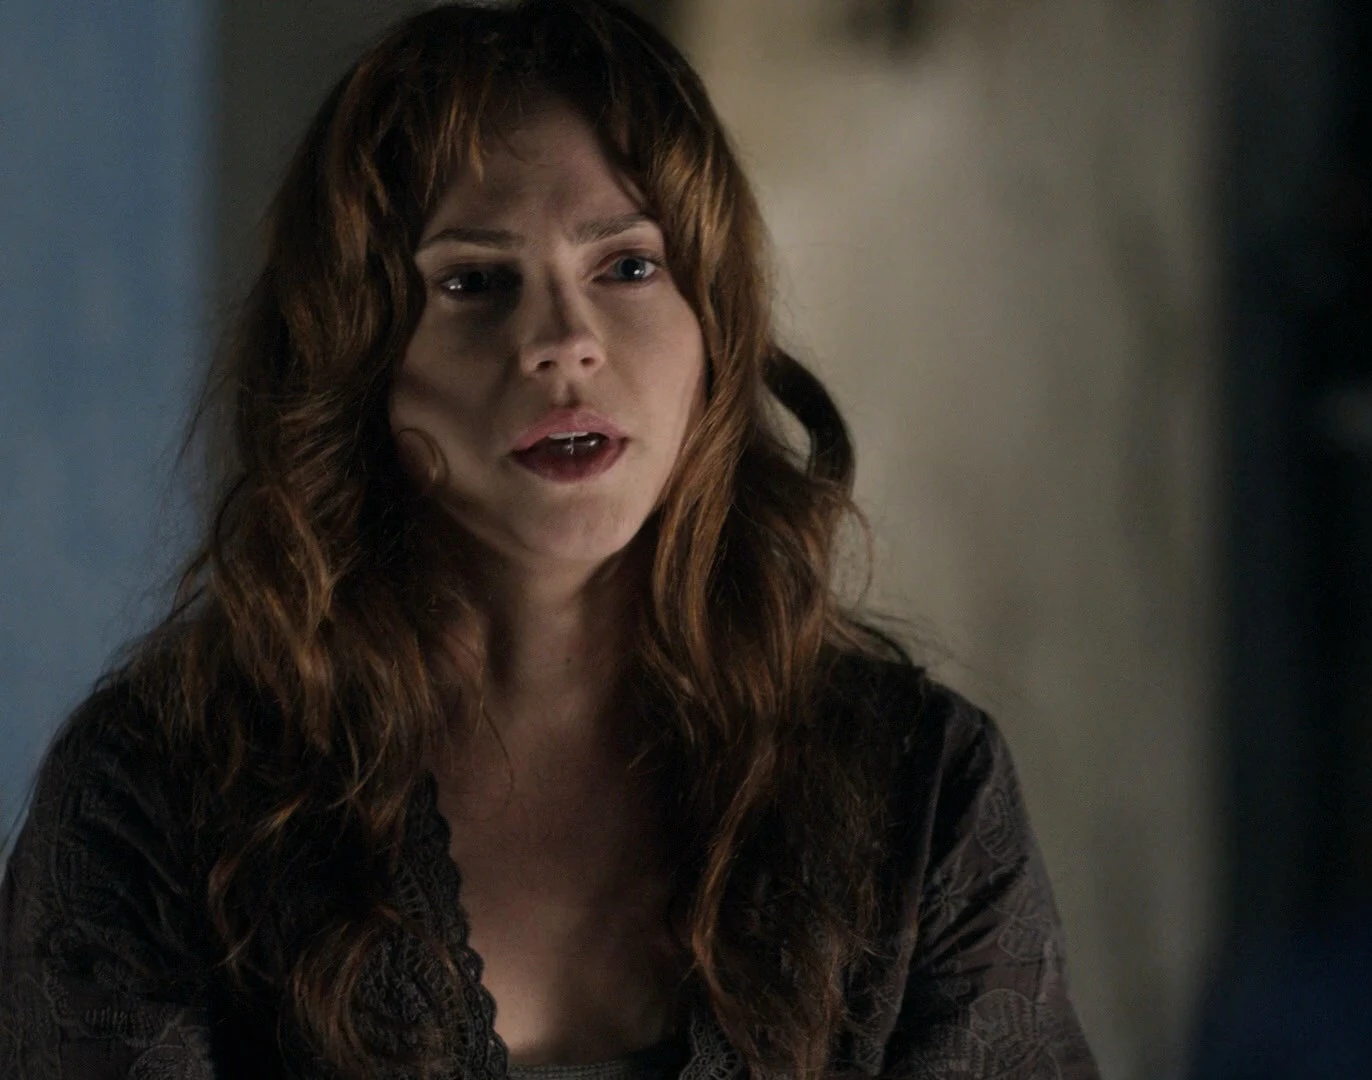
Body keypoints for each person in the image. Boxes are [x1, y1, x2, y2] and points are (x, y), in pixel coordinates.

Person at [0, 2, 1096, 1077]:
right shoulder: (160, 791)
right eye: (473, 283)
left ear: (714, 324)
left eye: (628, 266)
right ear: (356, 357)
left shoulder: (916, 791)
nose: (565, 343)